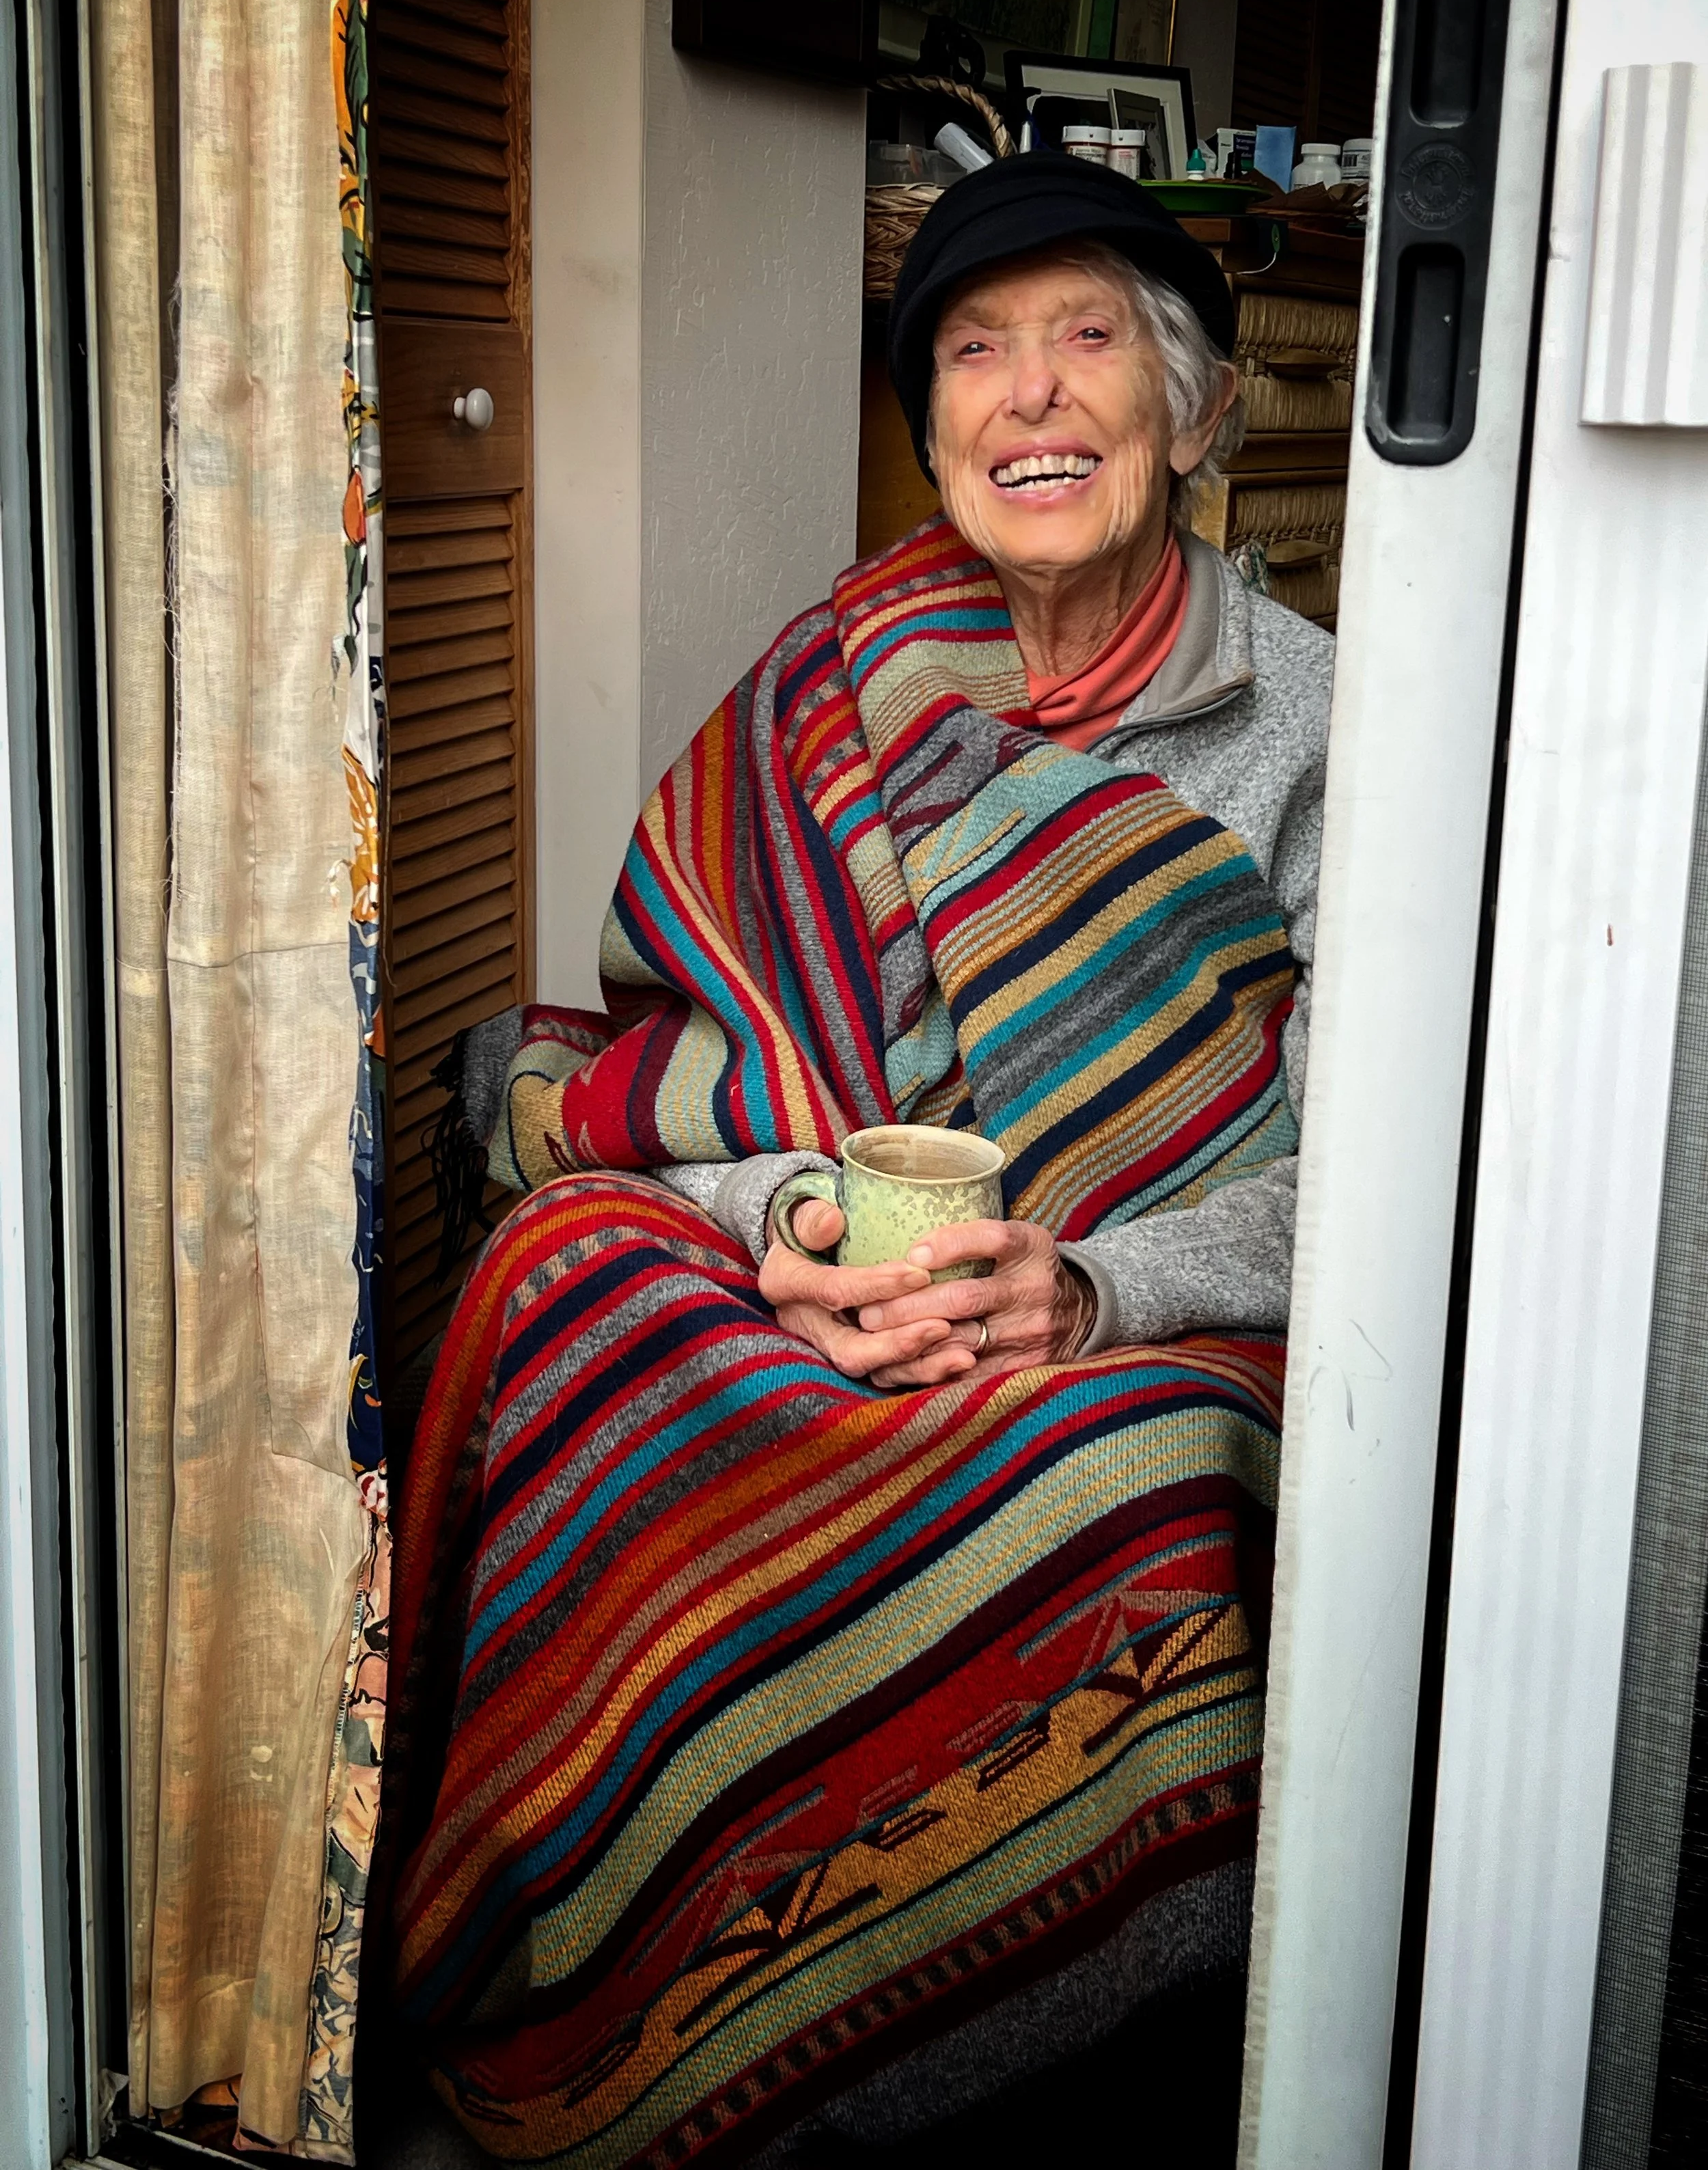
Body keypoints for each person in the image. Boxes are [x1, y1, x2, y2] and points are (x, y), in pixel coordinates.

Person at [383, 154, 1332, 2169]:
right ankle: (629, 1983)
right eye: (976, 358)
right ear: (933, 437)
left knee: (1123, 1481)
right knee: (569, 1281)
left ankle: (999, 2069)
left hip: (1150, 1315)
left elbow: (1366, 1161)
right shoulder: (839, 682)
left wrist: (1088, 1289)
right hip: (850, 1262)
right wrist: (795, 1226)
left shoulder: (1325, 724)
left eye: (1089, 341)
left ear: (1181, 407)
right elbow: (684, 1069)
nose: (1033, 398)